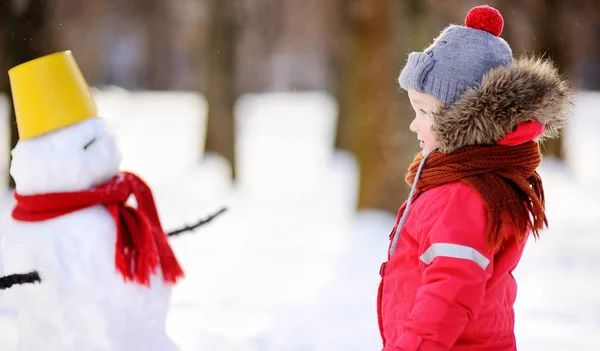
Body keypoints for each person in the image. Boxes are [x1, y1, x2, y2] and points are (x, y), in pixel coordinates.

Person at [377, 5, 572, 351]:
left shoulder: (463, 193)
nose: (414, 123)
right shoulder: (459, 177)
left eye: (424, 110)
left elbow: (448, 293)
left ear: (461, 119)